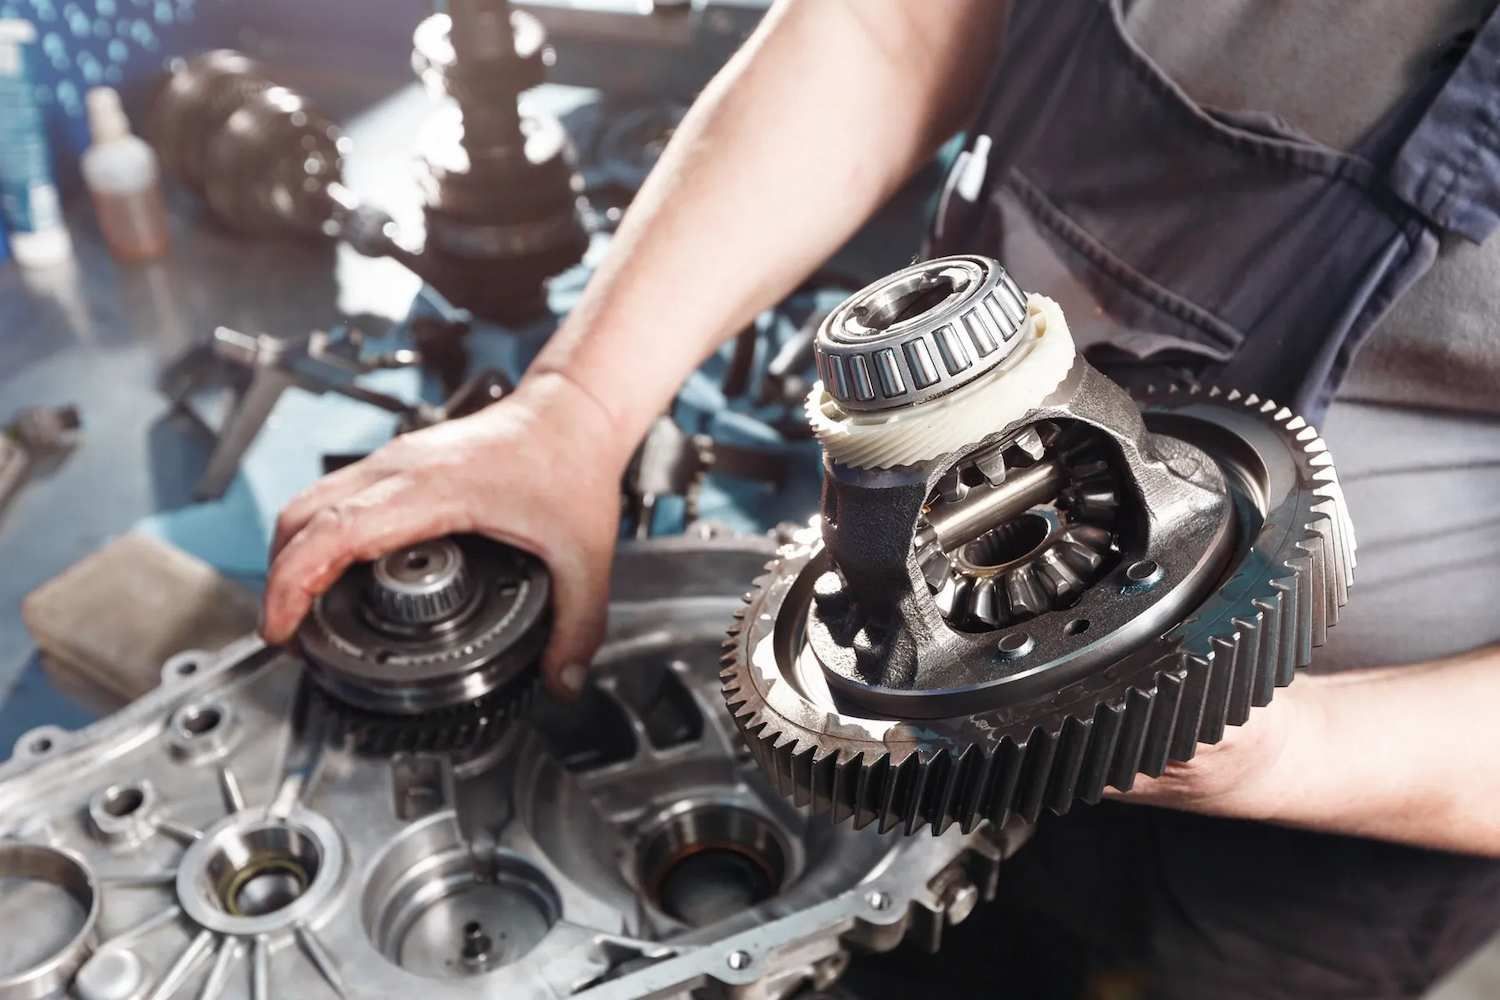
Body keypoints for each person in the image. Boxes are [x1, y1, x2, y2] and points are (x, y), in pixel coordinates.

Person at [261, 1, 1500, 996]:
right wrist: (576, 406)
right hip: (921, 698)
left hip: (1337, 828)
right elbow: (892, 23)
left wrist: (1283, 750)